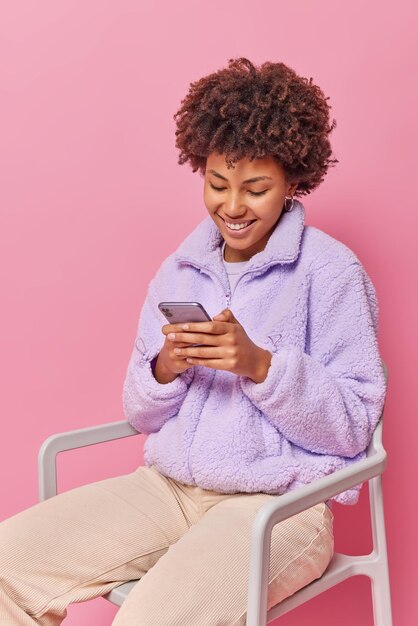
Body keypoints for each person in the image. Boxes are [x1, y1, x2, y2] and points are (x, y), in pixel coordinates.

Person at [0, 57, 387, 626]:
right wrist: (164, 368)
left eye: (256, 189)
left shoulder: (331, 273)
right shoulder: (179, 270)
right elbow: (139, 410)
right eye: (217, 184)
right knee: (7, 563)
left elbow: (355, 424)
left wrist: (262, 367)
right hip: (168, 491)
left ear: (293, 181)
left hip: (279, 509)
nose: (232, 207)